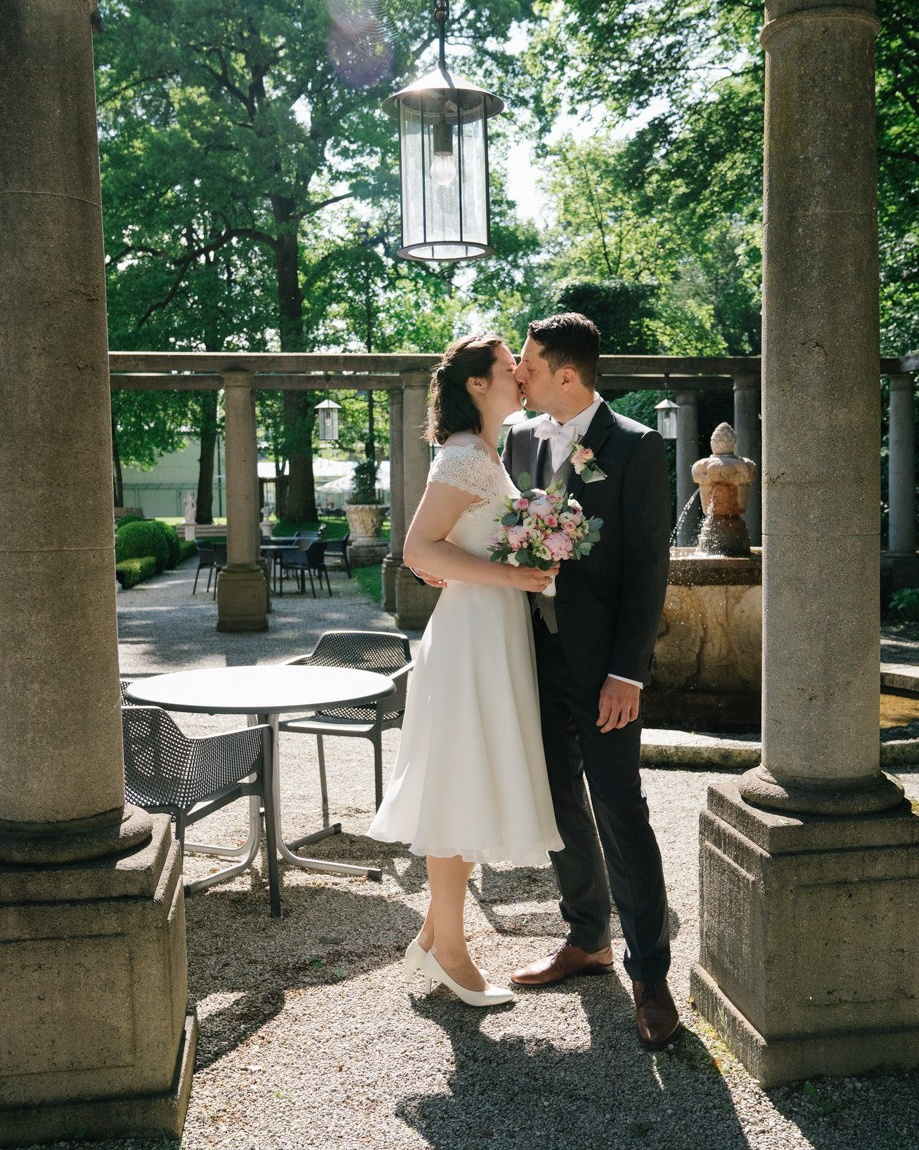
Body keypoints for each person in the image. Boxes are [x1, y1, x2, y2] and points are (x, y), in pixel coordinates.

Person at [368, 334, 563, 1008]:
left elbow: (447, 548)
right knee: (457, 783)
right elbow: (419, 546)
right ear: (477, 385)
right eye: (507, 365)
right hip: (471, 635)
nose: (517, 373)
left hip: (490, 627)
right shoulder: (461, 455)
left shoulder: (484, 454)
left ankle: (430, 940)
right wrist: (511, 572)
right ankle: (450, 952)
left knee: (469, 780)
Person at [502, 312, 679, 1050]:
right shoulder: (517, 439)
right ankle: (586, 938)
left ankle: (650, 976)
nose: (518, 375)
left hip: (603, 665)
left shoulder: (635, 447)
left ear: (566, 376)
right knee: (551, 798)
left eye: (530, 365)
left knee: (617, 807)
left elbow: (647, 571)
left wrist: (624, 675)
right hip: (528, 654)